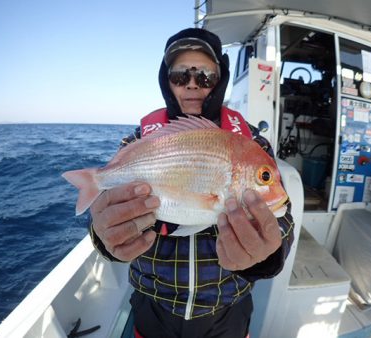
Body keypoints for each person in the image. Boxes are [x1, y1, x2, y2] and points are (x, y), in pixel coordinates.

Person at [89, 28, 294, 338]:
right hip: (152, 307)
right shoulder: (138, 141)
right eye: (180, 74)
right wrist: (105, 237)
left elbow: (284, 219)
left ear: (221, 78)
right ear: (166, 80)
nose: (193, 85)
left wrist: (263, 258)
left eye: (205, 75)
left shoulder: (252, 143)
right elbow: (106, 208)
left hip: (228, 310)